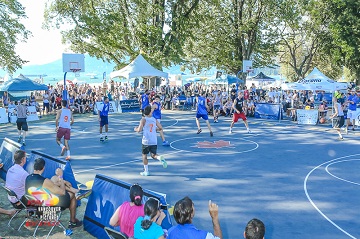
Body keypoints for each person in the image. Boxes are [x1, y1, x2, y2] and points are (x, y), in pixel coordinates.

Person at [25, 158, 82, 228]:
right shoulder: (44, 181)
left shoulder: (28, 177)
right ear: (43, 168)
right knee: (71, 195)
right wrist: (61, 176)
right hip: (45, 209)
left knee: (54, 180)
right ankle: (73, 222)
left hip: (34, 208)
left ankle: (75, 191)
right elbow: (63, 192)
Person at [134, 105, 167, 176]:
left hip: (146, 140)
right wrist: (155, 130)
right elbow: (160, 128)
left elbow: (139, 130)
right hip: (153, 140)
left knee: (144, 155)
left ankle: (146, 171)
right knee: (153, 155)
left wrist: (135, 129)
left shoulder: (143, 119)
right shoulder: (154, 119)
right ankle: (159, 157)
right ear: (150, 112)